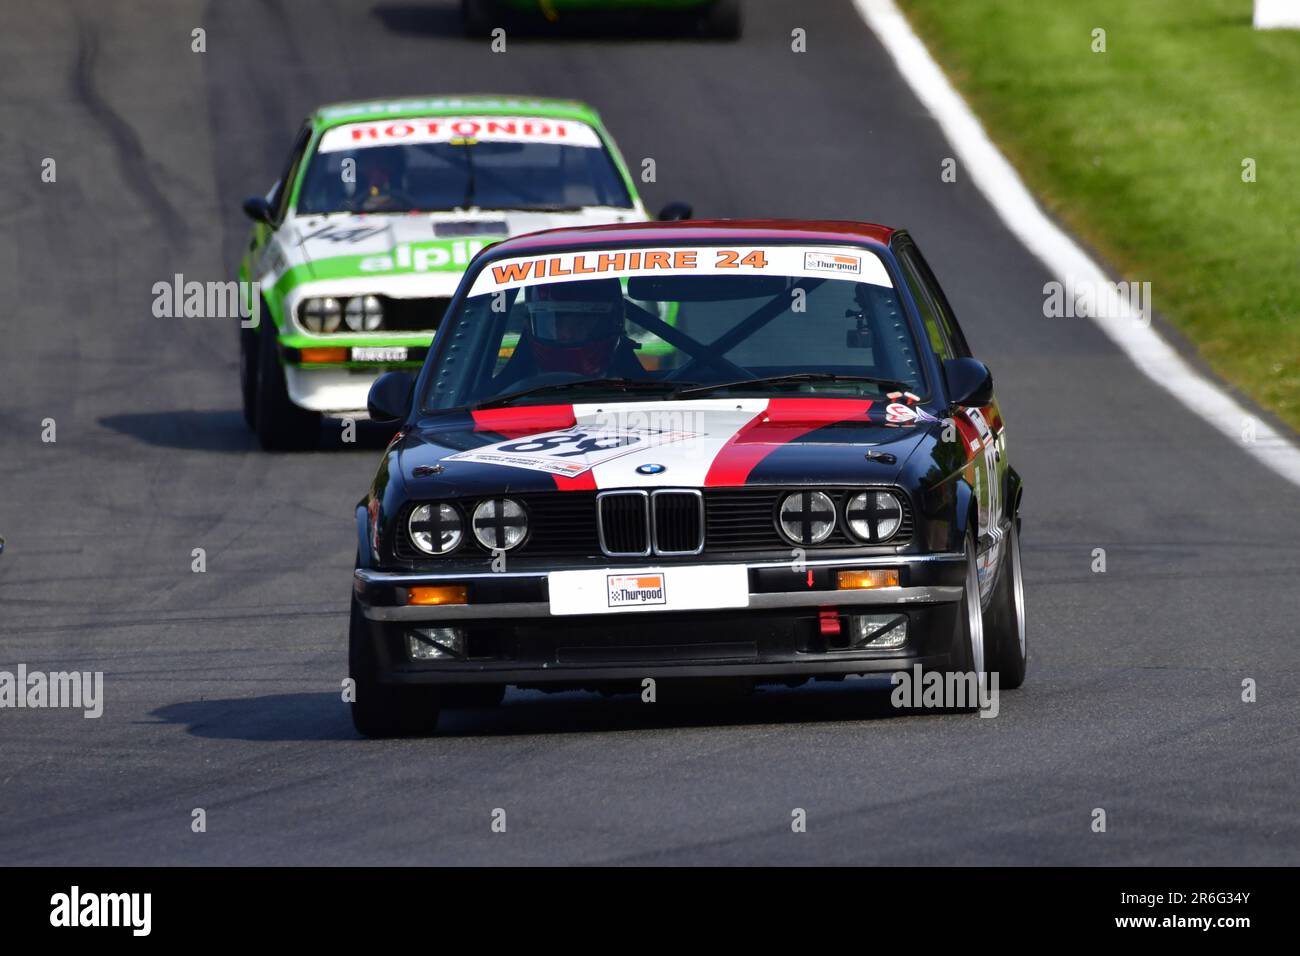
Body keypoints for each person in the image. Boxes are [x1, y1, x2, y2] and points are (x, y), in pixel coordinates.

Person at [500, 278, 646, 384]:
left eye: (580, 321)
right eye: (555, 322)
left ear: (614, 321)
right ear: (529, 324)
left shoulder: (645, 394)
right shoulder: (504, 397)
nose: (566, 333)